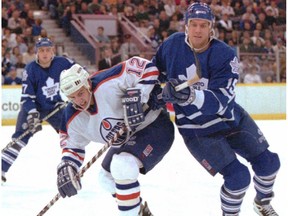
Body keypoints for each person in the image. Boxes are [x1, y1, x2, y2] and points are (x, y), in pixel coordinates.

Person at [152, 2, 280, 216]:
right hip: (197, 130)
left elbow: (222, 100)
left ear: (211, 27)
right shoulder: (172, 45)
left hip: (229, 118)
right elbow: (154, 72)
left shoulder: (225, 54)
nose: (198, 30)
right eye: (194, 24)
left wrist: (190, 94)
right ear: (186, 25)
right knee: (238, 178)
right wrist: (155, 94)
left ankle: (262, 203)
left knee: (269, 163)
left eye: (204, 25)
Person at [56, 57, 174, 215]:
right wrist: (68, 165)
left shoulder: (108, 82)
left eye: (81, 93)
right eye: (72, 97)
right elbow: (72, 146)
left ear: (87, 84)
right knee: (105, 178)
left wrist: (139, 96)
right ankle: (139, 212)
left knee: (122, 165)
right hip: (130, 139)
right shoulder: (72, 117)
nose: (79, 101)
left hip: (155, 126)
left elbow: (148, 68)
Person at [1, 37, 75, 183]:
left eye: (48, 50)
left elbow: (79, 72)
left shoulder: (62, 62)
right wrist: (33, 114)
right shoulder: (30, 69)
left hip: (55, 107)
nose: (45, 53)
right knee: (19, 140)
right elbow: (26, 96)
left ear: (53, 50)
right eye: (41, 50)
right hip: (33, 107)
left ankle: (73, 168)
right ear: (36, 52)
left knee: (71, 136)